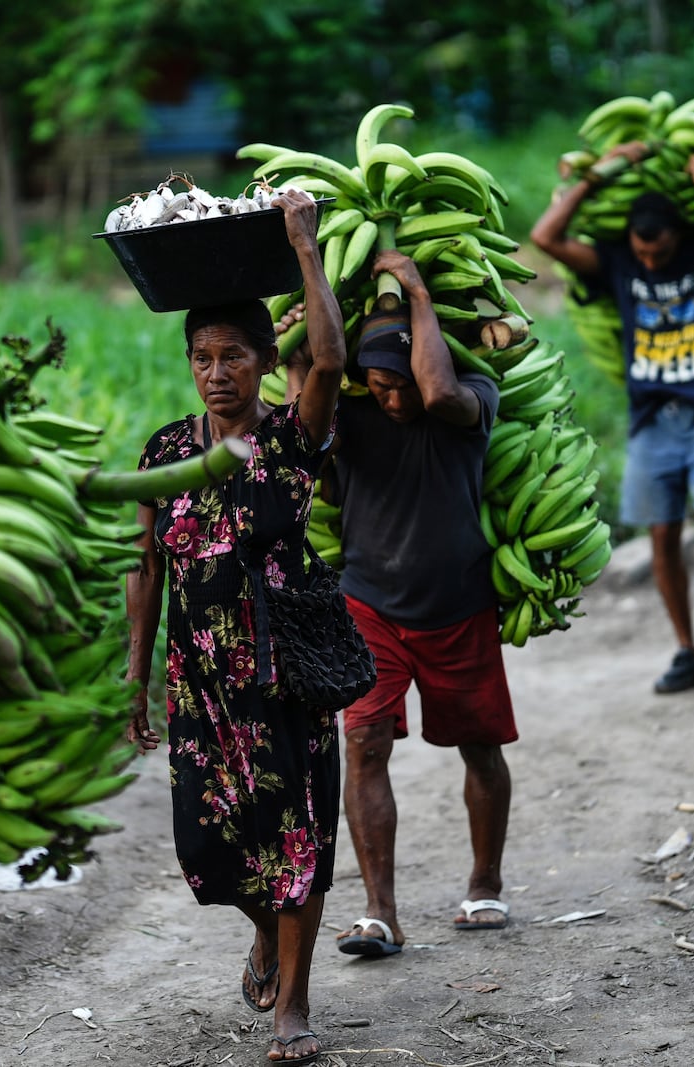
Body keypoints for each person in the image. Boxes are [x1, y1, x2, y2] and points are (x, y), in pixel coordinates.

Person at [125, 187, 347, 1066]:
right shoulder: (163, 450)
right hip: (198, 677)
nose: (217, 372)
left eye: (234, 357)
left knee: (297, 835)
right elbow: (146, 566)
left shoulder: (293, 439)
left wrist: (305, 250)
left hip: (284, 668)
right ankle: (265, 932)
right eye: (202, 357)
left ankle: (295, 1002)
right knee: (210, 845)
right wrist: (136, 674)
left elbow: (328, 364)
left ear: (263, 361)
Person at [285, 251, 517, 955]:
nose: (393, 398)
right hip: (371, 606)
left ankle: (485, 882)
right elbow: (303, 426)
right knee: (364, 745)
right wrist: (298, 346)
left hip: (458, 604)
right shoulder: (351, 416)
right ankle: (379, 911)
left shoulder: (469, 397)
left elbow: (437, 390)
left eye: (400, 383)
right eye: (378, 385)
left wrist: (416, 292)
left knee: (479, 746)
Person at [529, 143, 694, 694]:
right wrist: (596, 177)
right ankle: (686, 649)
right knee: (661, 537)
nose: (650, 263)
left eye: (660, 253)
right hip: (652, 420)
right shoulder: (620, 262)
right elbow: (545, 238)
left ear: (677, 235)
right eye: (642, 254)